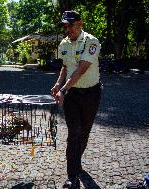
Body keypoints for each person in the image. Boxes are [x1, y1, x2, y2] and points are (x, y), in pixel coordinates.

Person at [51, 10, 102, 189]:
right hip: (72, 94)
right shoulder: (64, 44)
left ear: (80, 23)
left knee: (84, 133)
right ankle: (72, 177)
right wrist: (59, 84)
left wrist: (63, 89)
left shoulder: (91, 41)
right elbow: (65, 67)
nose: (67, 29)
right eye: (65, 26)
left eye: (70, 24)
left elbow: (81, 69)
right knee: (74, 134)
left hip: (91, 93)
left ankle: (77, 162)